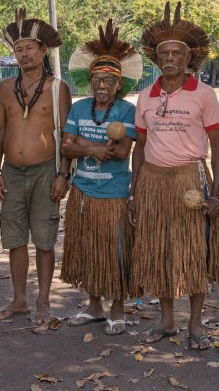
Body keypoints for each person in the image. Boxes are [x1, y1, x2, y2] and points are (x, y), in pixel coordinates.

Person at [129, 2, 219, 351]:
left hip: (190, 180)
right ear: (157, 60)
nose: (170, 58)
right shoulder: (145, 96)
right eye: (164, 53)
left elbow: (218, 145)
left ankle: (196, 324)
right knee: (160, 251)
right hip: (153, 181)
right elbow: (139, 146)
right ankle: (167, 321)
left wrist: (215, 194)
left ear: (189, 59)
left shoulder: (203, 94)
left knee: (193, 251)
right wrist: (135, 190)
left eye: (177, 53)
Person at [60, 20, 144, 335]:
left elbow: (122, 152)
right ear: (89, 81)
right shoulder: (80, 108)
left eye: (109, 80)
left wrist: (83, 145)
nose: (102, 86)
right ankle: (94, 306)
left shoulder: (126, 111)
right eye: (97, 79)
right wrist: (92, 149)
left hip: (115, 193)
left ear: (119, 84)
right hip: (82, 192)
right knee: (87, 250)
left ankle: (118, 309)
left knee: (116, 251)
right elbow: (65, 147)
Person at [0, 8, 71, 325]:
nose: (23, 54)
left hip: (45, 173)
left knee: (45, 240)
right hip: (11, 171)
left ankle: (43, 301)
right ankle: (19, 300)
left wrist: (63, 174)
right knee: (14, 239)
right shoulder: (5, 87)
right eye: (18, 49)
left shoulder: (56, 88)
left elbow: (66, 136)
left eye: (29, 48)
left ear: (43, 51)